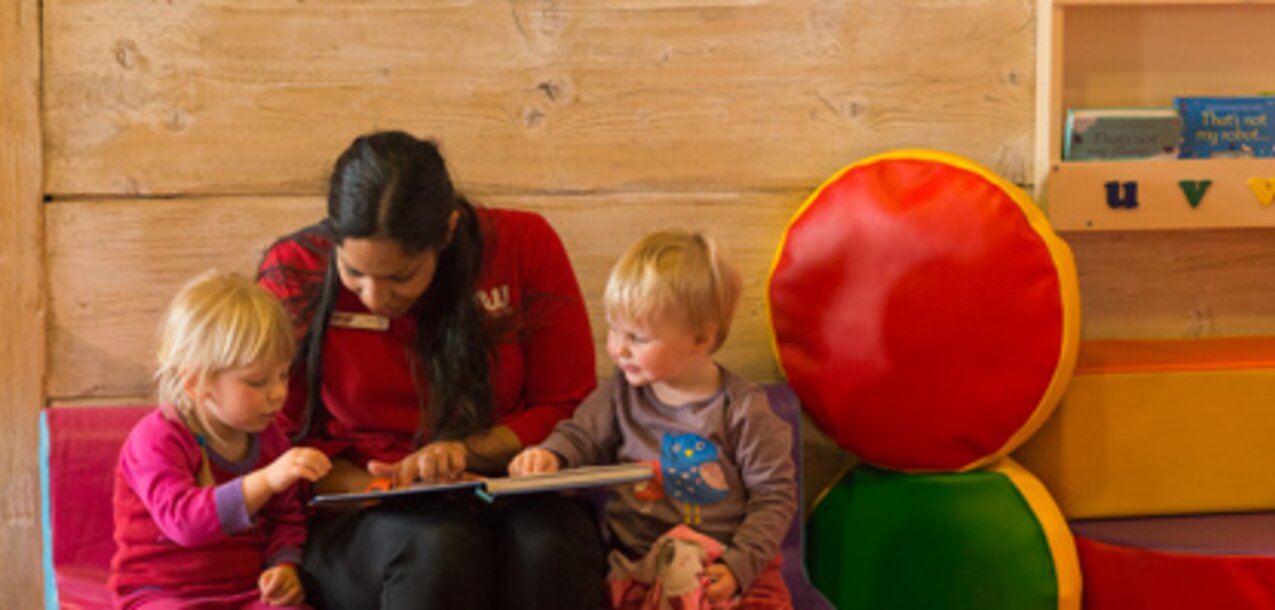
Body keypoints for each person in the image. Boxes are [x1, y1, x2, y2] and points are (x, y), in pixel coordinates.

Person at [256, 130, 606, 609]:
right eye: (354, 272)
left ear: (447, 232)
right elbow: (276, 437)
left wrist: (463, 454)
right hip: (368, 509)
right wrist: (389, 485)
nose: (375, 297)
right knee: (440, 550)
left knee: (546, 548)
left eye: (400, 276)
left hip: (509, 488)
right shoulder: (295, 270)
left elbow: (569, 405)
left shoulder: (524, 244)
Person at [510, 230, 798, 609]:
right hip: (640, 570)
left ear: (700, 340)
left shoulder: (743, 410)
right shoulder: (620, 394)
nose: (618, 348)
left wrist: (737, 565)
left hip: (724, 570)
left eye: (639, 338)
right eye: (614, 329)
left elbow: (774, 498)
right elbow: (579, 435)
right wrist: (552, 455)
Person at [110, 270, 332, 609]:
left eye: (283, 375)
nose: (277, 394)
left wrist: (284, 566)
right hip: (161, 594)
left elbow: (286, 519)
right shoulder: (157, 439)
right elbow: (183, 523)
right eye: (257, 382)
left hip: (244, 593)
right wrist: (267, 480)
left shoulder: (270, 439)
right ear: (196, 382)